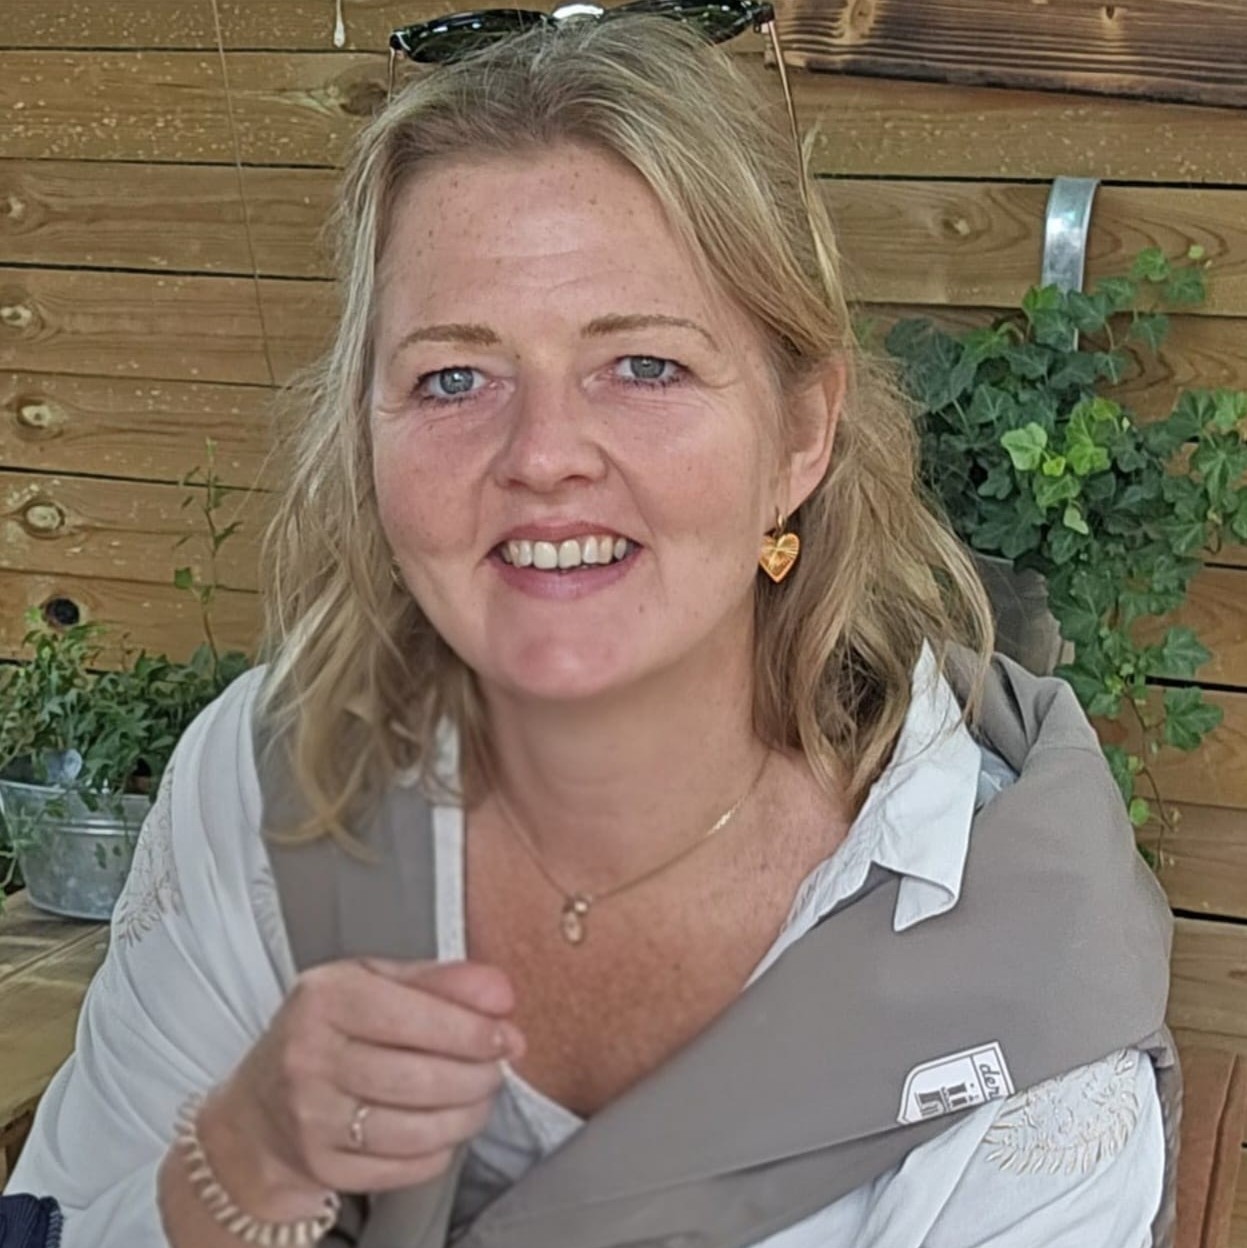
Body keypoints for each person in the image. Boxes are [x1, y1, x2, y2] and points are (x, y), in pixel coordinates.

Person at [7, 7, 1171, 1247]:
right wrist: (239, 1167)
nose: (543, 455)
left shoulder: (1019, 996)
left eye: (644, 366)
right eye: (453, 377)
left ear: (798, 437)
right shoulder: (272, 787)